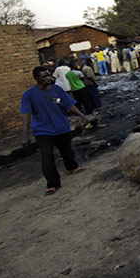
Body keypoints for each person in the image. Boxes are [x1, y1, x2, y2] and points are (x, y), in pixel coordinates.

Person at [21, 66, 91, 195]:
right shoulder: (29, 95)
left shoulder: (57, 90)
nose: (48, 78)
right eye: (44, 76)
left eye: (49, 75)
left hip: (61, 127)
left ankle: (71, 166)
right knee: (47, 157)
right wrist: (25, 136)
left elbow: (69, 105)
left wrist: (83, 116)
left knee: (66, 150)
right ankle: (52, 183)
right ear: (36, 79)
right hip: (43, 130)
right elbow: (26, 116)